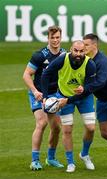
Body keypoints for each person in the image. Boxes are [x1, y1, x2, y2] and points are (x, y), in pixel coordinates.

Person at [59, 34, 107, 171]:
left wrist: (83, 89)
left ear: (94, 46)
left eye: (86, 45)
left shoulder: (102, 61)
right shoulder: (86, 60)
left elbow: (100, 82)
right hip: (102, 101)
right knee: (104, 133)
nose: (83, 47)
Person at [41, 40, 97, 173]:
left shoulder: (90, 64)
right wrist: (44, 96)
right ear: (71, 49)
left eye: (81, 51)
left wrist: (83, 88)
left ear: (85, 51)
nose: (78, 53)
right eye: (76, 50)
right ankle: (70, 163)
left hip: (84, 98)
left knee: (91, 128)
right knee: (67, 130)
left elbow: (90, 87)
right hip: (63, 96)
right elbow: (45, 75)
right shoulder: (62, 59)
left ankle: (84, 154)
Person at [23, 25, 64, 170]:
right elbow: (26, 74)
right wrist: (35, 91)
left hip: (53, 95)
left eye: (57, 37)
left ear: (61, 37)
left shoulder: (64, 55)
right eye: (52, 37)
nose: (55, 40)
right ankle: (34, 160)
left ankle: (51, 158)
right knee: (41, 123)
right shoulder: (40, 55)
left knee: (57, 128)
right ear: (48, 38)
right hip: (39, 93)